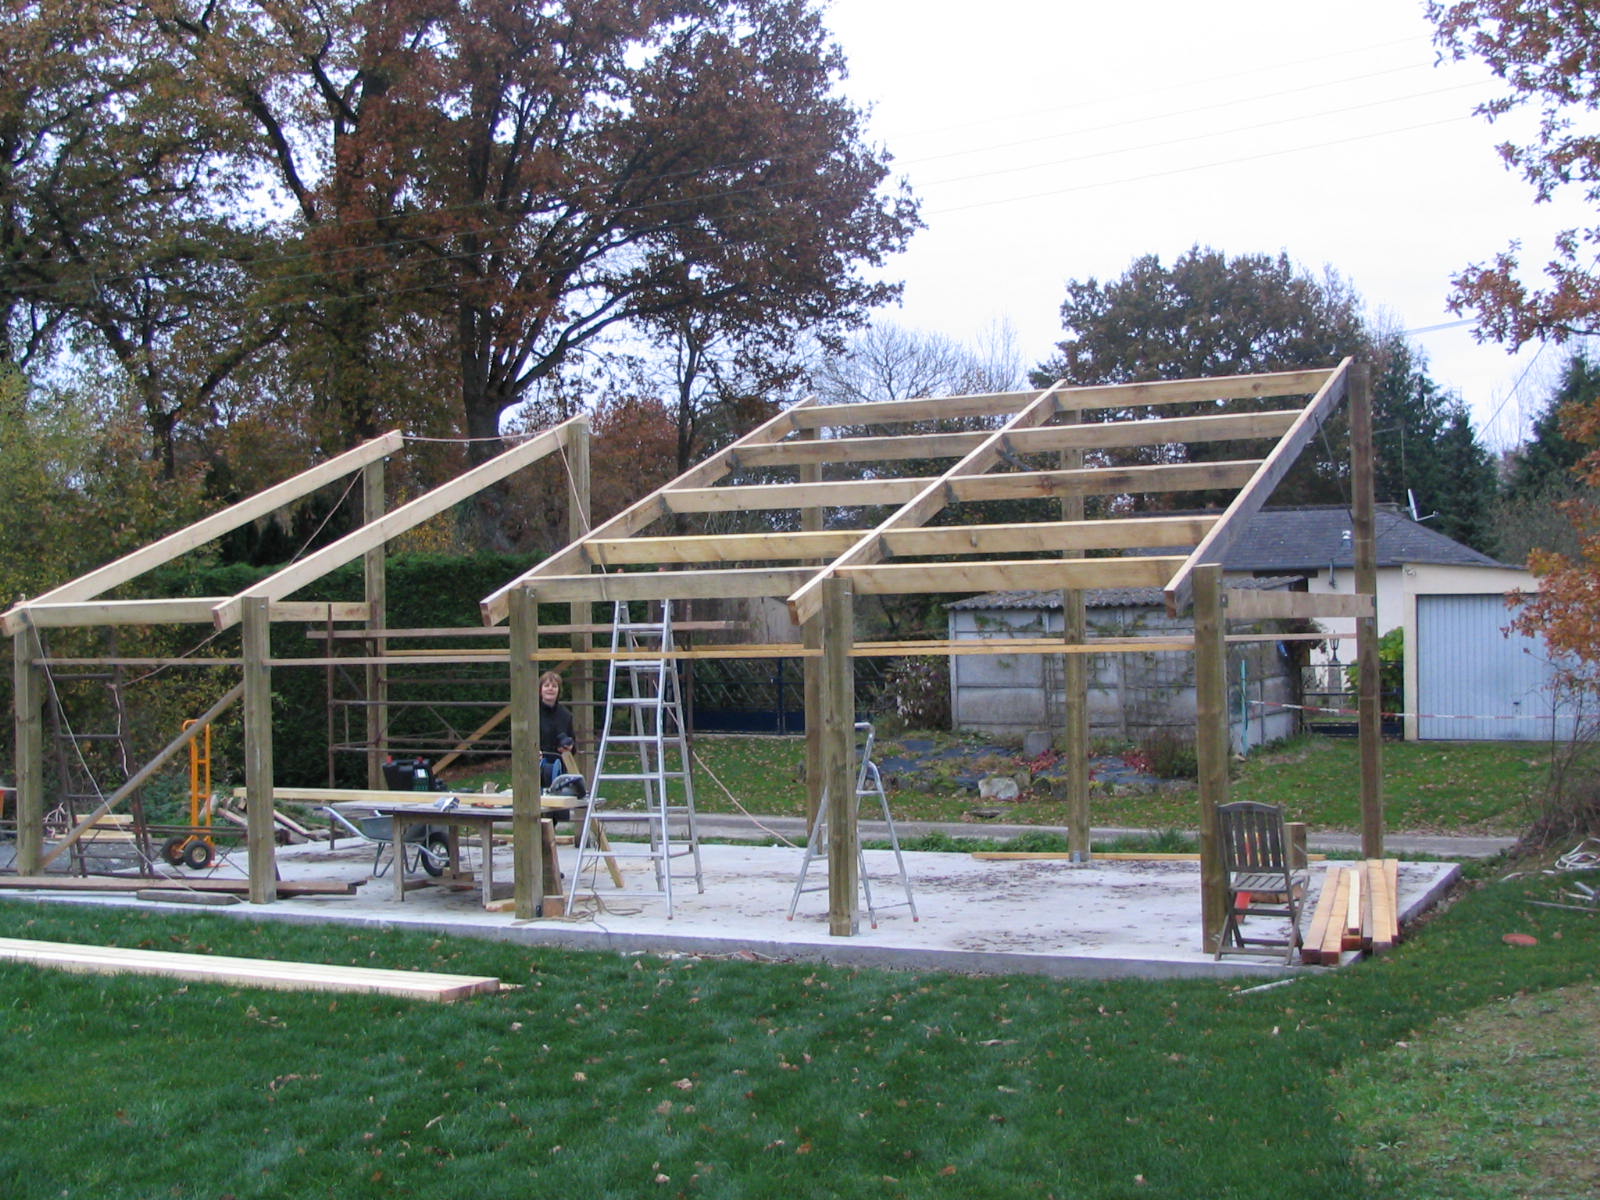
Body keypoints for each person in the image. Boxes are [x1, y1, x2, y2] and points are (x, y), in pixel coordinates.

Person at [538, 669, 576, 790]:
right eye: (546, 685)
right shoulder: (531, 712)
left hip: (559, 769)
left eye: (554, 686)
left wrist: (569, 748)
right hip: (534, 768)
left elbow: (573, 746)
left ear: (559, 690)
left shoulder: (566, 715)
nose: (550, 689)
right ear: (540, 689)